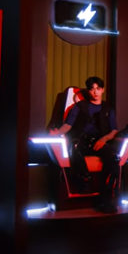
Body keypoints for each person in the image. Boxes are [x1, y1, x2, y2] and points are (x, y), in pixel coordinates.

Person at [49, 76, 120, 213]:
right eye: (92, 89)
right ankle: (85, 182)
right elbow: (68, 125)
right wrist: (57, 133)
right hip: (80, 140)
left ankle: (106, 199)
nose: (95, 92)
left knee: (113, 158)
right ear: (88, 91)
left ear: (103, 90)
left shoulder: (107, 108)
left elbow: (114, 130)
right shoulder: (79, 107)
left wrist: (104, 139)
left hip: (99, 140)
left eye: (98, 88)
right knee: (75, 148)